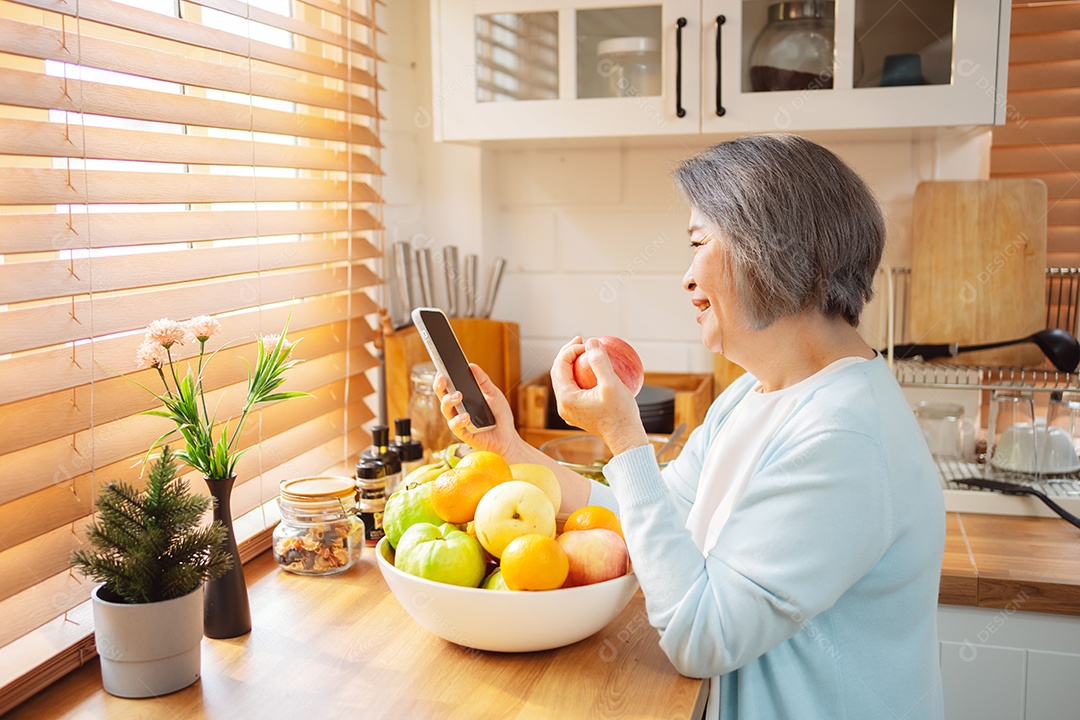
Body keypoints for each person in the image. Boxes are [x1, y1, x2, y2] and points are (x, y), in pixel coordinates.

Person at [435, 134, 945, 719]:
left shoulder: (843, 438)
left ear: (771, 252)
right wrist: (512, 446)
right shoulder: (754, 396)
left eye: (699, 243)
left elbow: (701, 639)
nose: (685, 278)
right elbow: (647, 517)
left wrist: (625, 439)